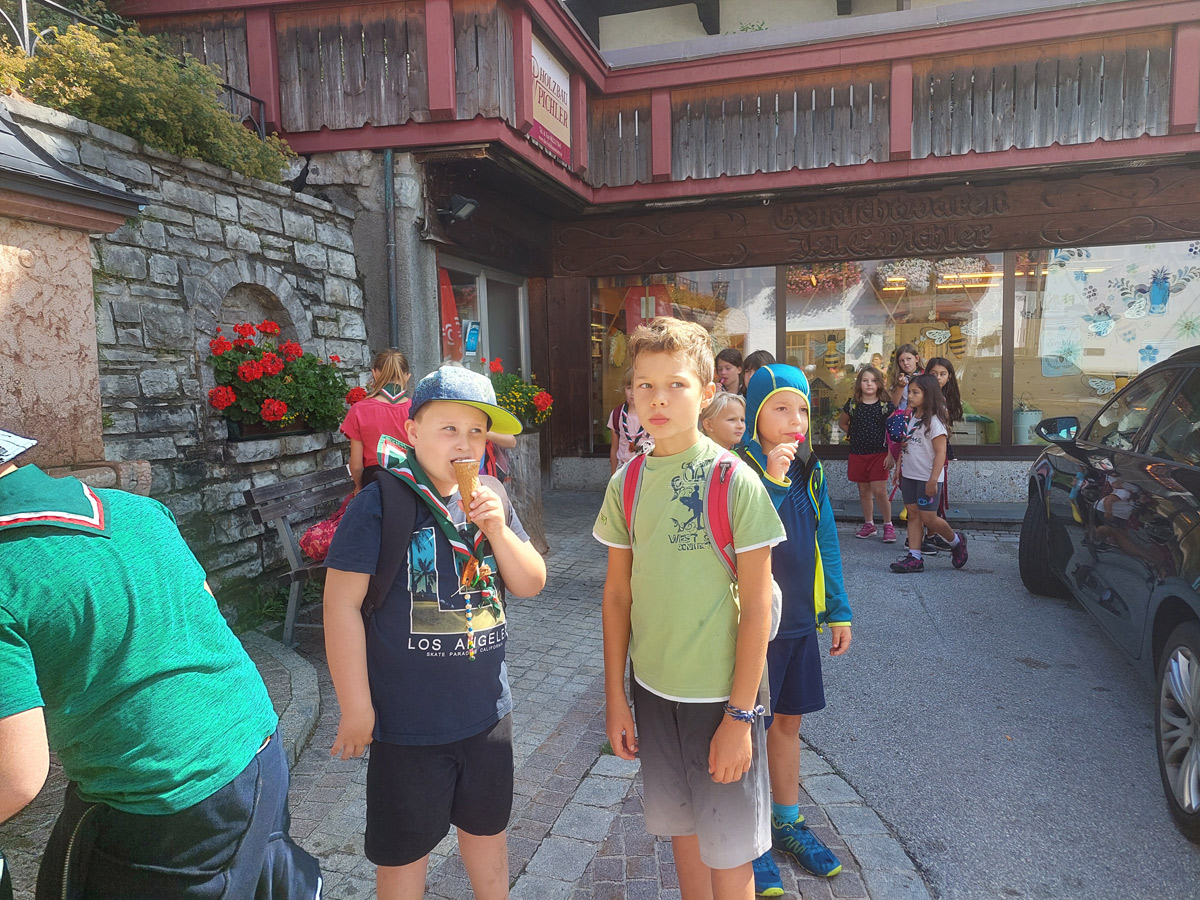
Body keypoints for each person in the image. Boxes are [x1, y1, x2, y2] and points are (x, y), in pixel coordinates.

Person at [0, 429, 321, 899]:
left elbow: (17, 778)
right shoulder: (135, 509)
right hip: (255, 745)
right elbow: (203, 603)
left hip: (162, 800)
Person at [322, 367, 547, 900]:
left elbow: (531, 582)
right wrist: (356, 706)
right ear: (413, 431)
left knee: (487, 830)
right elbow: (341, 605)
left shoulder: (491, 497)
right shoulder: (380, 502)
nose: (464, 444)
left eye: (476, 432)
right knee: (404, 850)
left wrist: (497, 530)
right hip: (408, 724)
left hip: (487, 714)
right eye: (449, 429)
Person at [593, 318, 785, 900]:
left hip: (721, 697)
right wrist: (615, 697)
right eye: (644, 385)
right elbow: (617, 595)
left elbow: (757, 606)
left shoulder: (735, 481)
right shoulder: (626, 483)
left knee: (730, 853)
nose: (658, 399)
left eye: (675, 384)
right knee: (682, 831)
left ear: (706, 393)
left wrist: (740, 717)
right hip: (653, 691)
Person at [739, 365, 852, 896]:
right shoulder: (737, 467)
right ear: (756, 413)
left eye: (803, 409)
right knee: (750, 732)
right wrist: (772, 476)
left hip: (802, 620)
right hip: (753, 626)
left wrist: (839, 610)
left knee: (787, 724)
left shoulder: (813, 468)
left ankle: (786, 822)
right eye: (781, 408)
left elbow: (826, 537)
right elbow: (751, 531)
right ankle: (751, 838)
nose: (795, 420)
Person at [888, 374, 968, 573]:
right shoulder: (910, 417)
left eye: (916, 392)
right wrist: (899, 468)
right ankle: (915, 557)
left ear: (928, 395)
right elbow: (905, 445)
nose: (910, 396)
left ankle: (956, 541)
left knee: (929, 518)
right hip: (909, 475)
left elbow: (941, 453)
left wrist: (933, 480)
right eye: (910, 392)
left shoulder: (934, 423)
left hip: (927, 478)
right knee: (913, 514)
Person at [837, 365, 896, 542]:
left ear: (879, 383)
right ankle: (869, 524)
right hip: (858, 453)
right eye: (865, 380)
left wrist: (891, 455)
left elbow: (893, 432)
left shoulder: (886, 405)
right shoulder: (853, 404)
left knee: (879, 490)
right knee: (864, 491)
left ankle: (888, 524)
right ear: (859, 383)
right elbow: (843, 423)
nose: (869, 384)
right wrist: (853, 434)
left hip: (880, 454)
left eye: (873, 380)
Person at [342, 348, 413, 491]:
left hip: (374, 482)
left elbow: (356, 466)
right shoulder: (418, 409)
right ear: (407, 376)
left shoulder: (359, 410)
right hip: (411, 482)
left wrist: (359, 488)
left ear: (374, 373)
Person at [922, 357, 964, 552]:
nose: (938, 378)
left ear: (949, 376)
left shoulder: (948, 396)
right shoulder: (922, 394)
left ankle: (931, 536)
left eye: (942, 374)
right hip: (922, 449)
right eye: (934, 374)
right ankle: (916, 539)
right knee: (922, 496)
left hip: (939, 448)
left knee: (936, 494)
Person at [608, 368, 653, 473]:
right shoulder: (617, 414)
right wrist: (613, 476)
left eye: (637, 388)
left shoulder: (654, 413)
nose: (632, 393)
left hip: (648, 470)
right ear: (623, 389)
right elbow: (614, 449)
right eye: (629, 388)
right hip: (623, 470)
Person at [887, 343, 923, 411]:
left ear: (916, 358)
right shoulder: (898, 378)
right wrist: (900, 387)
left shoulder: (926, 376)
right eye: (901, 361)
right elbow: (893, 405)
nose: (905, 363)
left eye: (908, 359)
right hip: (902, 414)